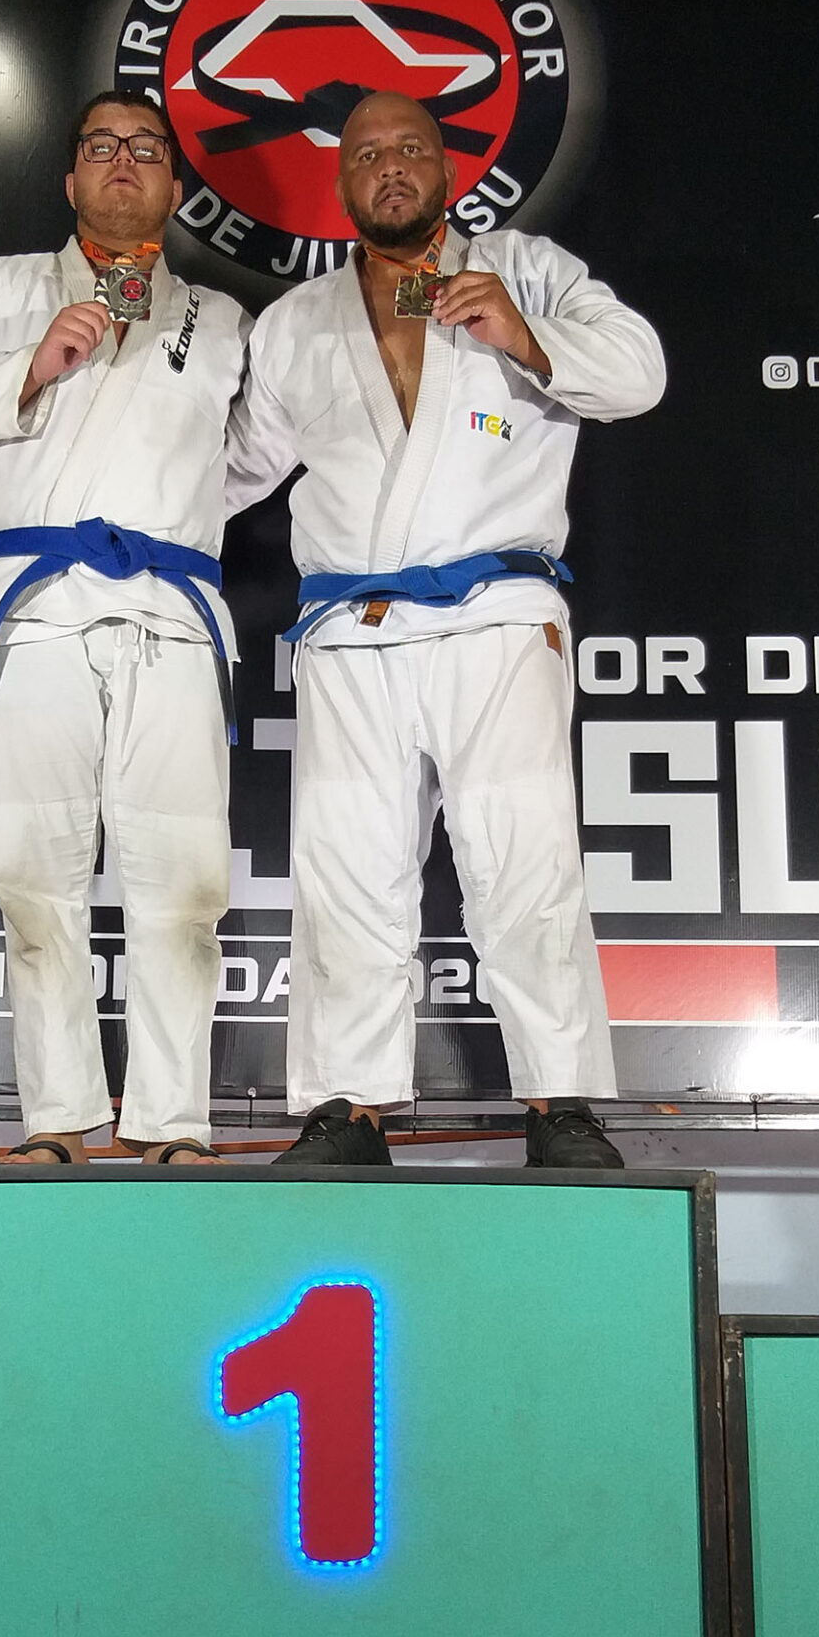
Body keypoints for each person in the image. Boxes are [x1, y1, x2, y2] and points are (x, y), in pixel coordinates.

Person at [226, 90, 666, 1170]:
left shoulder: (529, 271)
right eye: (366, 153)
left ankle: (559, 1103)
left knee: (523, 853)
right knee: (346, 866)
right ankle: (350, 1108)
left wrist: (525, 334)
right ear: (341, 181)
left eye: (409, 148)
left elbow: (640, 374)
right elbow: (230, 470)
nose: (388, 166)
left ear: (448, 167)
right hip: (349, 624)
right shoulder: (295, 325)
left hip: (496, 613)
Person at [0, 91, 248, 1166]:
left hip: (171, 614)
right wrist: (30, 368)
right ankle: (57, 1120)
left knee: (184, 881)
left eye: (146, 149)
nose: (123, 161)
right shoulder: (1, 291)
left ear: (175, 186)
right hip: (35, 612)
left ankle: (173, 1122)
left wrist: (179, 520)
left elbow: (253, 457)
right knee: (33, 876)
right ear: (70, 179)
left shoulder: (220, 320)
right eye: (101, 146)